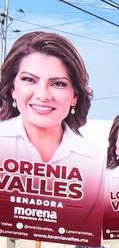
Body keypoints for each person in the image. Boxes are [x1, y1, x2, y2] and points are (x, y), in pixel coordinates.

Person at [0, 31, 100, 191]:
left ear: (75, 95)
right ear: (12, 88)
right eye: (29, 80)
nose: (42, 95)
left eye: (58, 84)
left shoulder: (96, 161)